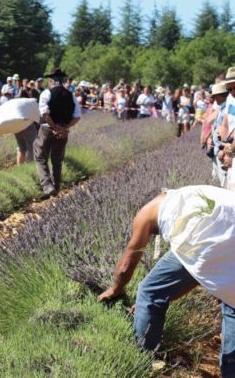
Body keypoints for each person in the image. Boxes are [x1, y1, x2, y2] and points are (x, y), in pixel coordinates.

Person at [98, 185, 235, 376]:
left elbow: (125, 266)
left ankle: (141, 361)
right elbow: (196, 272)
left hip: (222, 238)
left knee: (148, 290)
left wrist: (116, 288)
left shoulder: (146, 213)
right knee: (232, 305)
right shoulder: (187, 198)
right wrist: (161, 299)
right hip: (227, 236)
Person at [34, 68, 81, 197]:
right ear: (63, 80)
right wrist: (64, 128)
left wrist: (54, 127)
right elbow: (77, 116)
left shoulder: (46, 93)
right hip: (63, 131)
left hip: (47, 129)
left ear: (51, 80)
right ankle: (57, 187)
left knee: (40, 157)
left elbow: (45, 113)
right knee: (57, 160)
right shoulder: (71, 95)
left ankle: (47, 186)